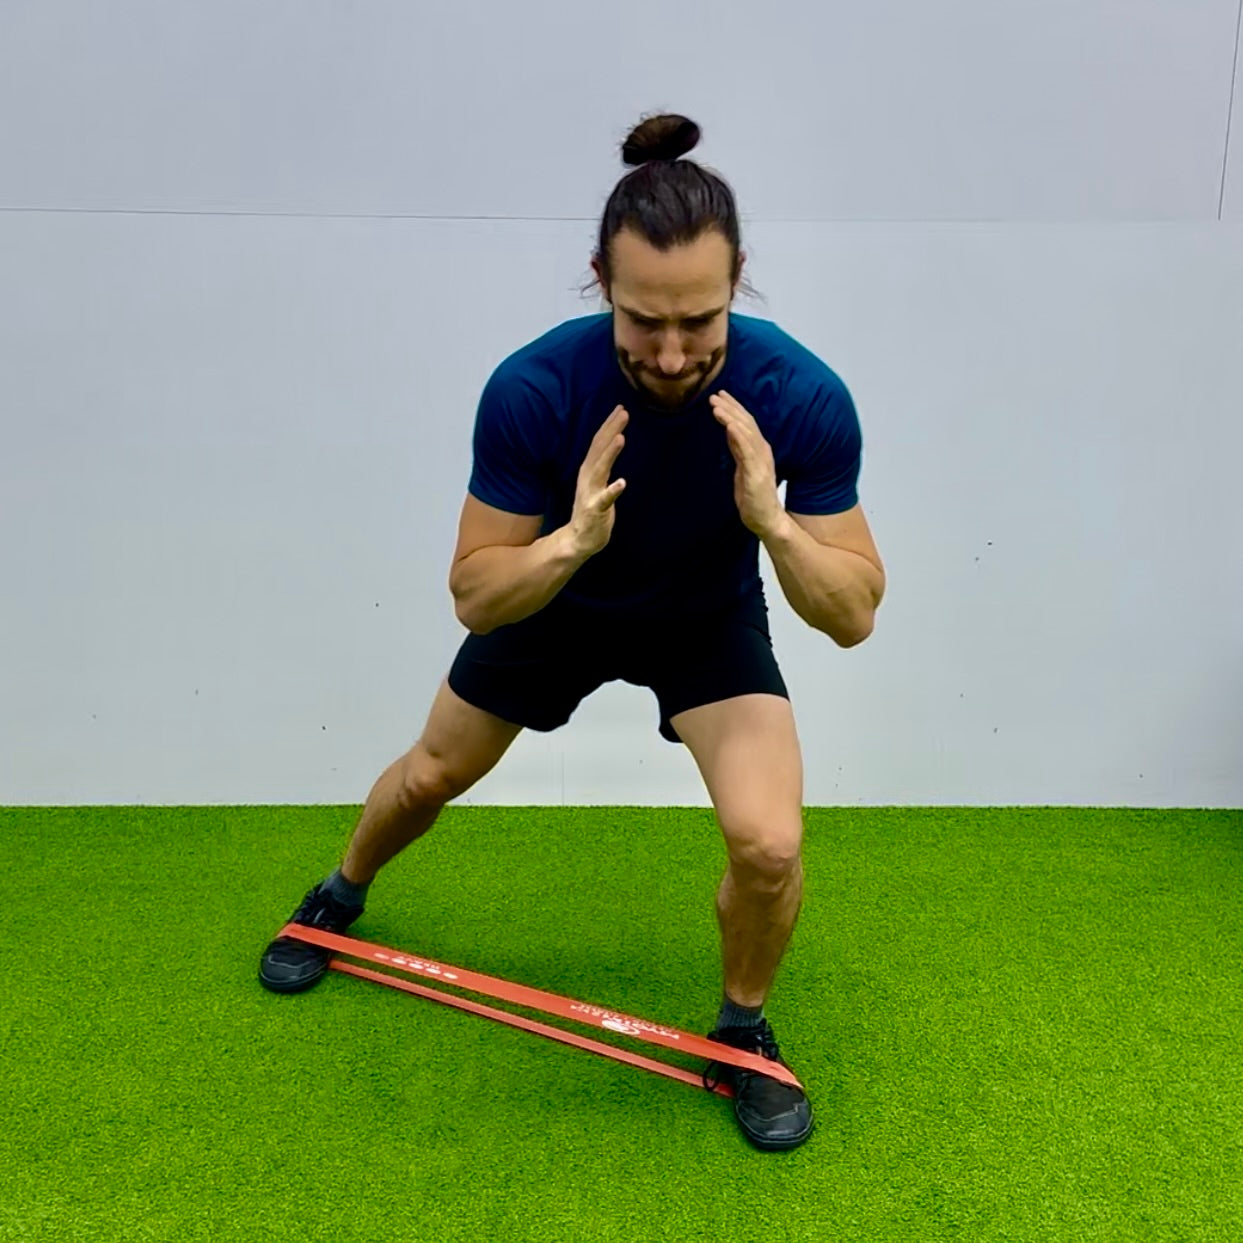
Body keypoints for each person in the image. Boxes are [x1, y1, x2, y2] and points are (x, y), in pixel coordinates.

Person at [258, 112, 885, 1153]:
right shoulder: (536, 389)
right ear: (601, 279)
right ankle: (337, 893)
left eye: (701, 322)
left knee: (769, 843)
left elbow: (854, 614)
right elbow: (473, 592)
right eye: (646, 322)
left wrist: (771, 522)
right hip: (560, 607)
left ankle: (740, 1033)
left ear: (737, 285)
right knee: (425, 778)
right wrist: (569, 546)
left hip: (704, 620)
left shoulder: (798, 396)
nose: (675, 353)